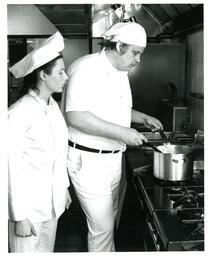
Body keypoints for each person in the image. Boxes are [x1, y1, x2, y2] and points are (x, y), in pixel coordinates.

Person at [61, 22, 163, 252]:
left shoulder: (120, 71)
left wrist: (142, 117)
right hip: (89, 161)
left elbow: (111, 111)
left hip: (113, 159)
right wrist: (123, 132)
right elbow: (76, 116)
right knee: (102, 228)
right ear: (118, 46)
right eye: (135, 53)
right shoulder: (85, 68)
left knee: (110, 220)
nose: (138, 60)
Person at [8, 31, 71, 252]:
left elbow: (58, 154)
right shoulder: (19, 112)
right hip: (29, 211)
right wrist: (19, 216)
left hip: (51, 206)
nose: (66, 77)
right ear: (43, 75)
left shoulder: (52, 106)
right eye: (61, 72)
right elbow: (9, 168)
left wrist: (63, 189)